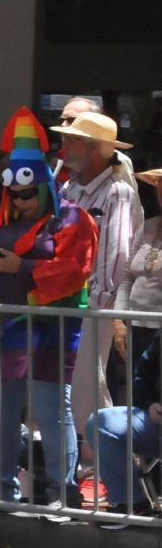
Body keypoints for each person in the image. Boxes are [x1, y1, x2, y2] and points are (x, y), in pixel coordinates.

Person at [0, 108, 95, 507]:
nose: (20, 199)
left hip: (49, 328)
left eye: (27, 192)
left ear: (42, 187)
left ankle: (63, 492)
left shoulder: (73, 218)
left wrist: (17, 265)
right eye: (14, 192)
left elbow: (74, 270)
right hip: (2, 326)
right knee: (1, 411)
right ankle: (0, 489)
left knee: (51, 410)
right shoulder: (2, 219)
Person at [50, 108, 139, 477]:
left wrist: (101, 307)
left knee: (84, 386)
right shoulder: (69, 188)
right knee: (79, 386)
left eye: (74, 140)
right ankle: (107, 464)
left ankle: (115, 469)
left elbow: (117, 254)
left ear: (97, 149)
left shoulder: (118, 192)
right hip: (65, 301)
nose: (64, 145)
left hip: (93, 306)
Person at [86, 167, 162, 519]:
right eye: (159, 186)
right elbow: (128, 277)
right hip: (140, 330)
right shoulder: (150, 227)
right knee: (140, 399)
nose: (161, 192)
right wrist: (120, 320)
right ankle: (137, 499)